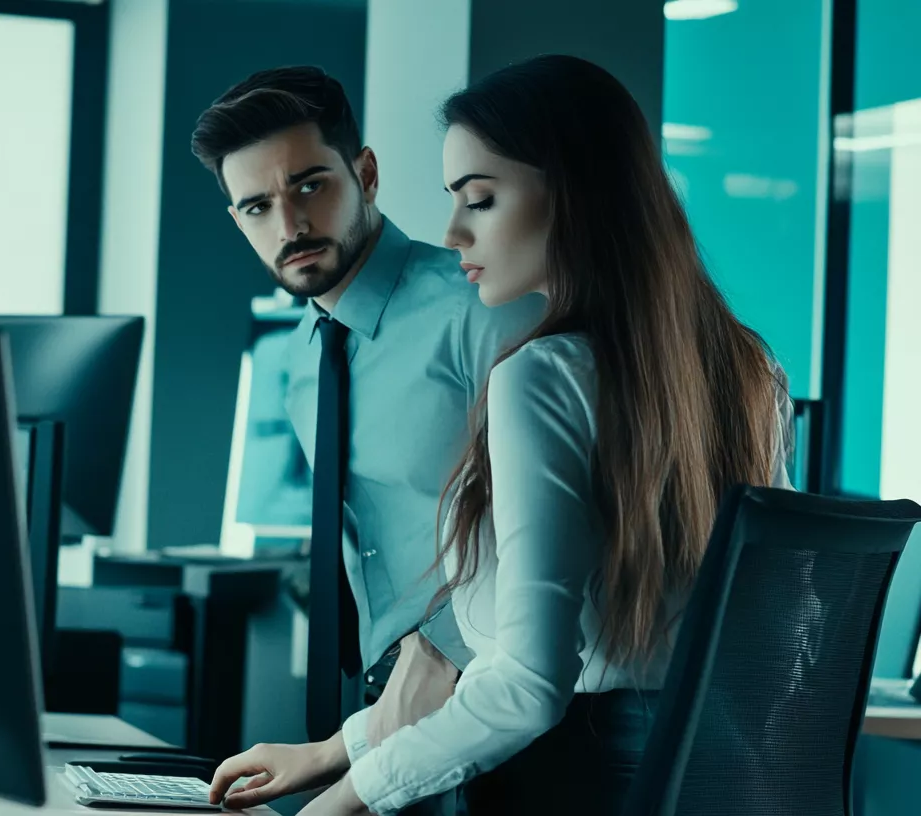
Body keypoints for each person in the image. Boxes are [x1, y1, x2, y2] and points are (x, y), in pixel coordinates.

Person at [208, 55, 794, 816]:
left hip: (559, 773)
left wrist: (341, 801)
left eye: (479, 200)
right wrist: (348, 751)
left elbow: (524, 679)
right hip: (709, 774)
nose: (452, 231)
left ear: (572, 196)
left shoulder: (534, 368)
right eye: (255, 206)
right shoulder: (750, 368)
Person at [189, 65, 543, 808]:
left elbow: (563, 525)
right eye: (257, 207)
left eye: (309, 186)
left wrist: (440, 650)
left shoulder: (481, 312)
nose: (289, 227)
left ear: (366, 173)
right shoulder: (298, 357)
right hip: (383, 713)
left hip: (490, 712)